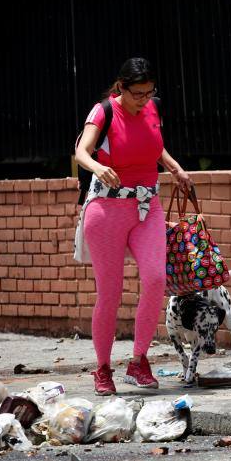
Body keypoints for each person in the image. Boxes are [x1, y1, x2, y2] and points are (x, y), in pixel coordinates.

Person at [74, 57, 192, 396]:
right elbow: (82, 150)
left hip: (147, 205)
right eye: (137, 94)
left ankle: (139, 361)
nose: (144, 99)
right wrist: (97, 166)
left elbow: (153, 146)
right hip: (107, 208)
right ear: (121, 88)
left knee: (155, 279)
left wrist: (175, 168)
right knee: (110, 294)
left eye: (149, 92)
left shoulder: (152, 109)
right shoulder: (104, 111)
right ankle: (102, 368)